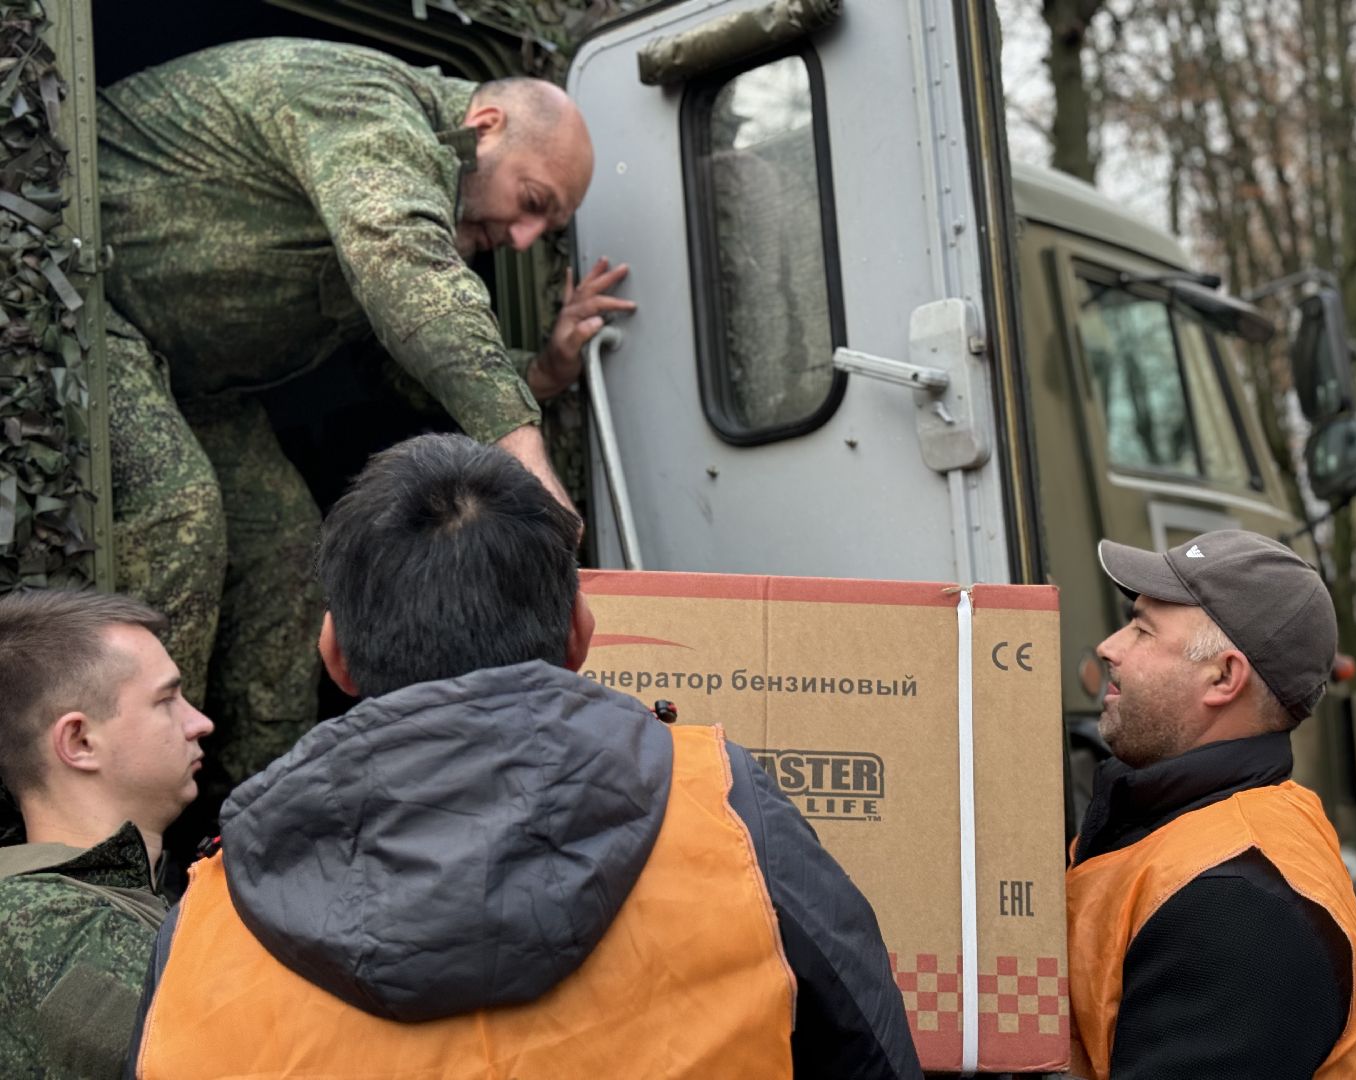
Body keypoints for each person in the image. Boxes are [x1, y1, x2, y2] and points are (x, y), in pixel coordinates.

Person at [124, 434, 920, 1080]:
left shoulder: (211, 916)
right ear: (580, 630)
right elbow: (872, 1051)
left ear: (334, 654)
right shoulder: (727, 811)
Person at [96, 39, 634, 791]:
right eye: (532, 202)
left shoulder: (422, 186)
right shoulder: (366, 105)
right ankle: (118, 815)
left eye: (542, 229)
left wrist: (542, 371)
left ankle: (253, 810)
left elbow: (396, 351)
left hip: (193, 380)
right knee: (179, 506)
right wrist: (520, 444)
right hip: (89, 301)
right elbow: (401, 264)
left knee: (289, 550)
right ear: (484, 125)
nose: (520, 239)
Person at [1066, 530, 1356, 1079]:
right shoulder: (1162, 820)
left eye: (1142, 631)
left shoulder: (1239, 904)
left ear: (1224, 677)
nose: (1110, 647)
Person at [0, 590, 212, 1077]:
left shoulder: (123, 895)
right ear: (79, 741)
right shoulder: (38, 923)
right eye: (166, 701)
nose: (200, 722)